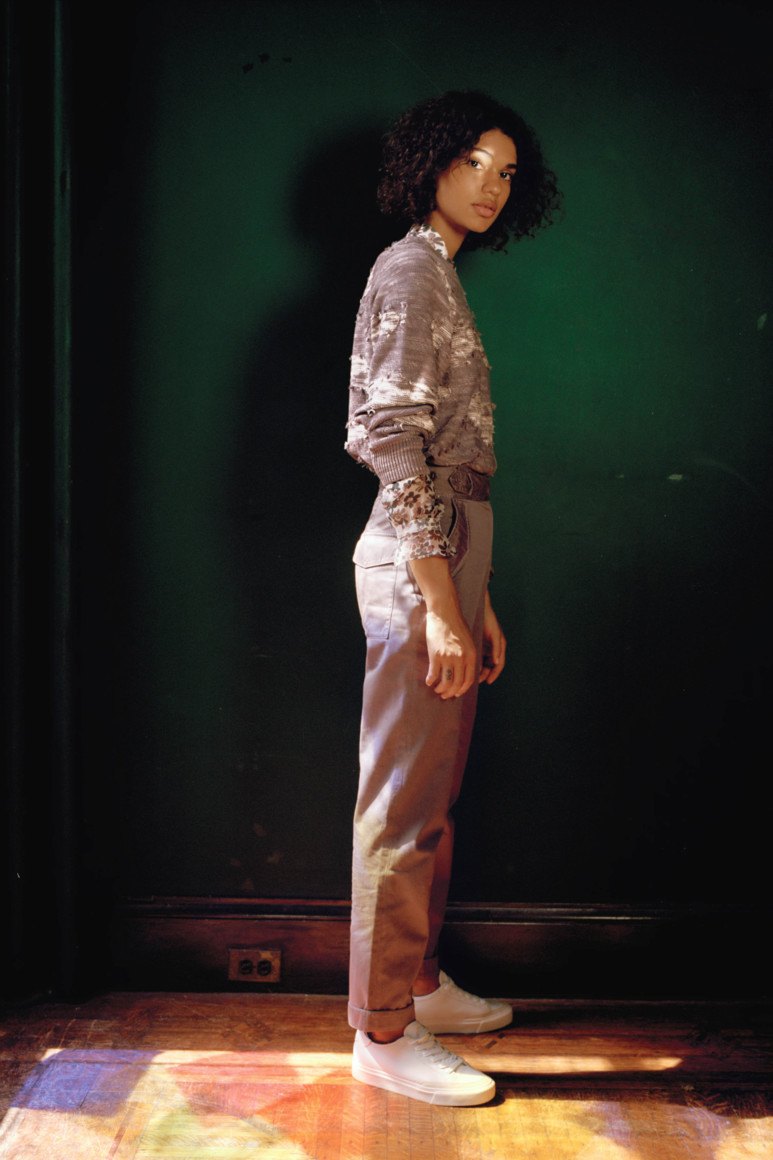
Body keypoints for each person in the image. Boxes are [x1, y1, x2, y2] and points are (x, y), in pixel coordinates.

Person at [345, 90, 560, 1106]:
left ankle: (419, 985)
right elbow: (392, 439)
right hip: (417, 552)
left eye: (506, 172)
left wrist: (473, 601)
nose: (490, 184)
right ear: (431, 161)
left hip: (451, 550)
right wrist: (437, 601)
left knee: (429, 796)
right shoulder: (406, 268)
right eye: (474, 160)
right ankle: (381, 1030)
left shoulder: (437, 273)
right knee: (399, 800)